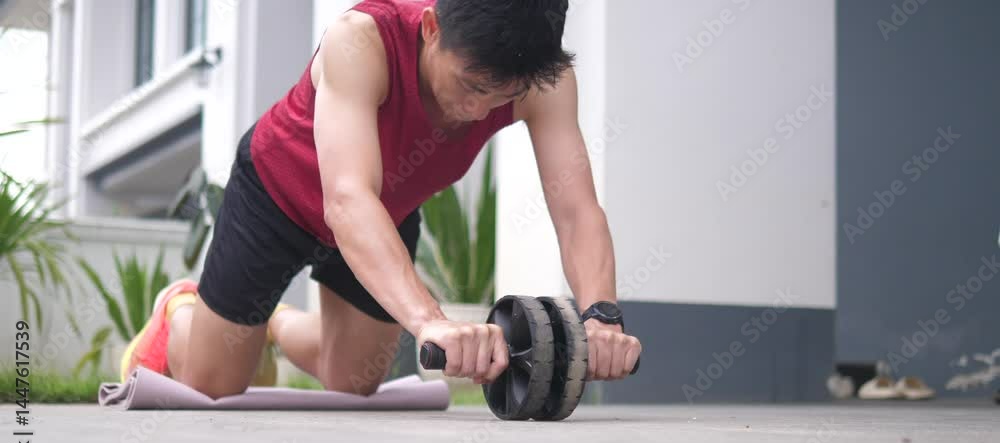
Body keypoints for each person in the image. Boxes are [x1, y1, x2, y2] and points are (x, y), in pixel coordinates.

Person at [120, 0, 642, 398]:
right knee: (211, 386)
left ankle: (271, 323)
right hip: (279, 197)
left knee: (353, 384)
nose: (477, 110)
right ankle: (179, 308)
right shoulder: (360, 39)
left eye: (501, 96)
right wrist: (431, 319)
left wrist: (601, 316)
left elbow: (576, 211)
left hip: (384, 212)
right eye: (470, 84)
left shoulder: (543, 83)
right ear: (432, 27)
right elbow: (347, 199)